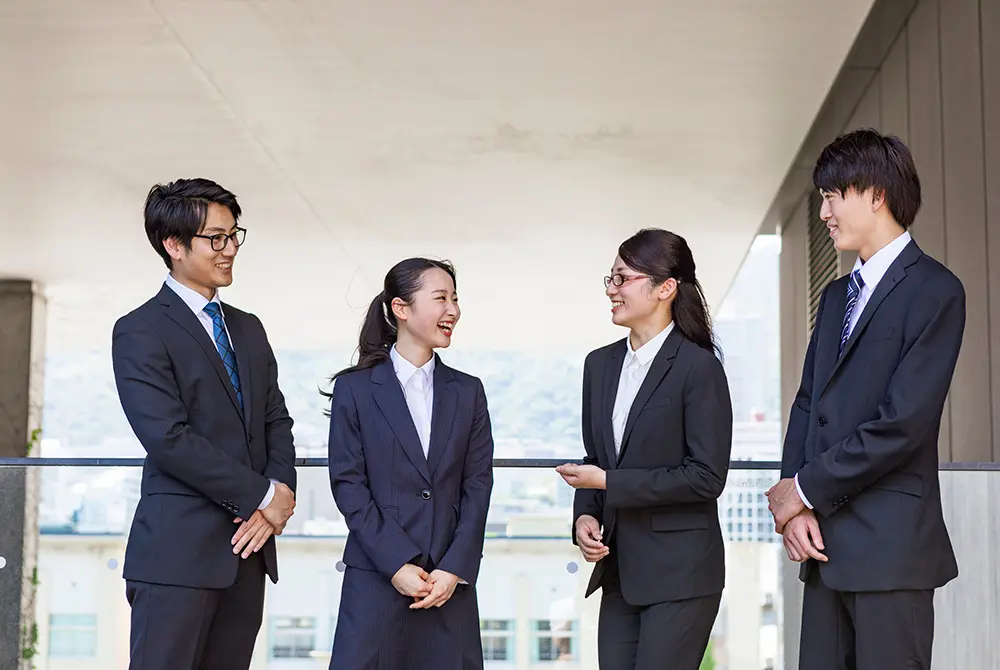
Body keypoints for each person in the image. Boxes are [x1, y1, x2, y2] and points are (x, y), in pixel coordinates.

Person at [767, 128, 965, 669]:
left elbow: (904, 423)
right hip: (826, 544)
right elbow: (808, 404)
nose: (825, 212)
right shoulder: (834, 298)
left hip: (890, 549)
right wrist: (793, 504)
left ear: (875, 194)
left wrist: (805, 489)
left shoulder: (935, 290)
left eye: (833, 196)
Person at [111, 178, 297, 670]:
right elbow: (168, 439)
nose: (230, 249)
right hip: (176, 557)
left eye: (234, 235)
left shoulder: (248, 326)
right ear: (174, 245)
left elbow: (275, 418)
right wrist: (262, 496)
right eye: (216, 238)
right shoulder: (140, 329)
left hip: (248, 553)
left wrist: (280, 490)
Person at [556, 229, 733, 670]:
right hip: (620, 571)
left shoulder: (699, 368)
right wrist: (585, 516)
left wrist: (609, 483)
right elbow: (595, 457)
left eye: (623, 278)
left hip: (682, 575)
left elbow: (706, 477)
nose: (612, 290)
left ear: (666, 288)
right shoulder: (599, 365)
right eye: (610, 279)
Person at [325, 258, 494, 670]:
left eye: (455, 299)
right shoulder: (355, 388)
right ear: (401, 308)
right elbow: (348, 484)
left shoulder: (468, 392)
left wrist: (454, 568)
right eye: (441, 298)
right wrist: (396, 562)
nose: (453, 310)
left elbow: (478, 487)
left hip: (447, 585)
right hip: (376, 580)